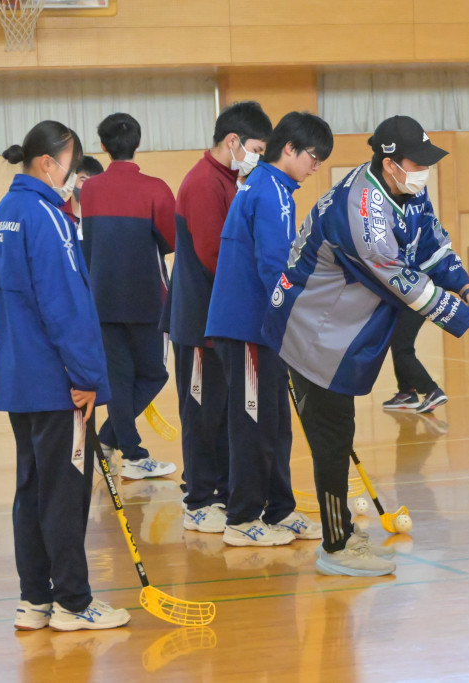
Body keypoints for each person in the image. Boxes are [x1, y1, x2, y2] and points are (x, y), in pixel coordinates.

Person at [262, 115, 469, 577]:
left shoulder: (405, 190)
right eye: (416, 163)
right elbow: (409, 286)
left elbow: (434, 247)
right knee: (332, 442)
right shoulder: (364, 214)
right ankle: (335, 548)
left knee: (338, 435)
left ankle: (343, 535)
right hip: (312, 334)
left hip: (340, 331)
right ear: (389, 163)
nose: (424, 171)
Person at [0, 120, 129, 631]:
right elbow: (65, 304)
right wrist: (87, 375)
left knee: (31, 490)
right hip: (57, 382)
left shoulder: (2, 214)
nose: (75, 176)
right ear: (48, 163)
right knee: (65, 494)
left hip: (19, 378)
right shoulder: (47, 217)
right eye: (71, 164)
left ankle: (35, 599)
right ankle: (73, 602)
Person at [205, 111, 333, 547]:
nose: (315, 167)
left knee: (276, 424)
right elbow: (274, 266)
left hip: (265, 330)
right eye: (313, 157)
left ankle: (280, 508)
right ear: (290, 149)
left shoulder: (272, 187)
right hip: (248, 328)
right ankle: (242, 518)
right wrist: (298, 319)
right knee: (253, 425)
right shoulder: (270, 191)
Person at [166, 101, 273, 533]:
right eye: (257, 150)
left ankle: (225, 491)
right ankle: (198, 499)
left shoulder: (232, 180)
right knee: (200, 413)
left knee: (224, 413)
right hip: (198, 324)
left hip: (223, 323)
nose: (258, 159)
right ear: (233, 141)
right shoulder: (203, 184)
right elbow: (215, 256)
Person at [80, 113, 177, 480]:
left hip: (101, 300)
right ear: (138, 143)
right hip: (147, 300)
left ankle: (109, 440)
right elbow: (171, 240)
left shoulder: (90, 190)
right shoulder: (156, 188)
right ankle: (132, 454)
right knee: (155, 374)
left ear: (103, 146)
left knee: (119, 380)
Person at [62, 155, 104, 236]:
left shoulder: (104, 218)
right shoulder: (59, 214)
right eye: (83, 180)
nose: (88, 186)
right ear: (72, 180)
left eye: (94, 182)